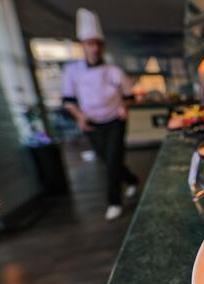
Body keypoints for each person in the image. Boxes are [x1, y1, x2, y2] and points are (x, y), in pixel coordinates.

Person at [62, 8, 137, 220]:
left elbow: (129, 94)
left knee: (113, 159)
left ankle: (114, 201)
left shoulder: (114, 71)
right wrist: (79, 117)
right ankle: (131, 180)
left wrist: (124, 106)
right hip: (92, 123)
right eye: (89, 43)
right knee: (108, 160)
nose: (93, 48)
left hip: (115, 120)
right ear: (83, 45)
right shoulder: (72, 72)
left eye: (97, 43)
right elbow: (68, 100)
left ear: (102, 46)